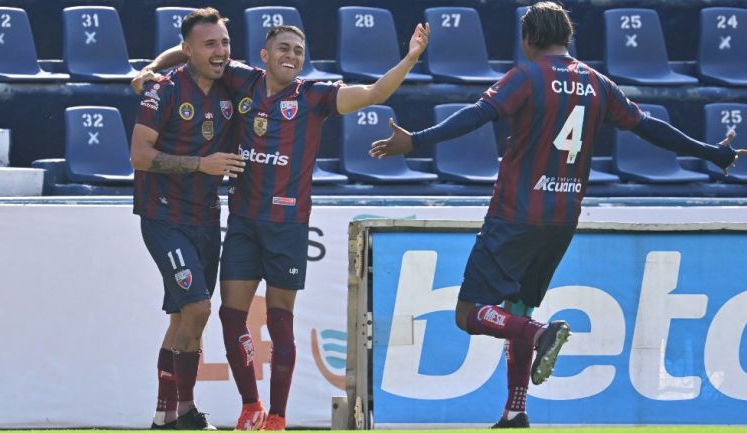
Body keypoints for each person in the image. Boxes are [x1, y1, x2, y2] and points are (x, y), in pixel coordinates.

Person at [369, 1, 744, 429]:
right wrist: (710, 152)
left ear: (527, 40)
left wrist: (415, 141)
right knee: (520, 305)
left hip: (515, 214)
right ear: (567, 38)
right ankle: (515, 410)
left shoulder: (526, 76)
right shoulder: (598, 82)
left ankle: (538, 333)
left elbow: (477, 114)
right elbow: (649, 127)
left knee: (469, 313)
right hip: (562, 219)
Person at [134, 21, 430, 431]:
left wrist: (411, 57)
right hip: (241, 221)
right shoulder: (241, 79)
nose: (292, 56)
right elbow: (191, 53)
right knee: (227, 316)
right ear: (265, 55)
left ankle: (276, 415)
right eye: (284, 49)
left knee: (279, 320)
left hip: (288, 225)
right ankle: (247, 406)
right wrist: (149, 71)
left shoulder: (314, 95)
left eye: (298, 51)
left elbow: (375, 93)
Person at [130, 8, 246, 430]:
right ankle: (187, 413)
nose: (220, 52)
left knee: (185, 317)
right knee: (197, 309)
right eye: (210, 44)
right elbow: (139, 156)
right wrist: (202, 164)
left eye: (225, 43)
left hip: (206, 217)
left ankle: (165, 415)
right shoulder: (161, 91)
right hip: (163, 216)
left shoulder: (232, 83)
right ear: (188, 51)